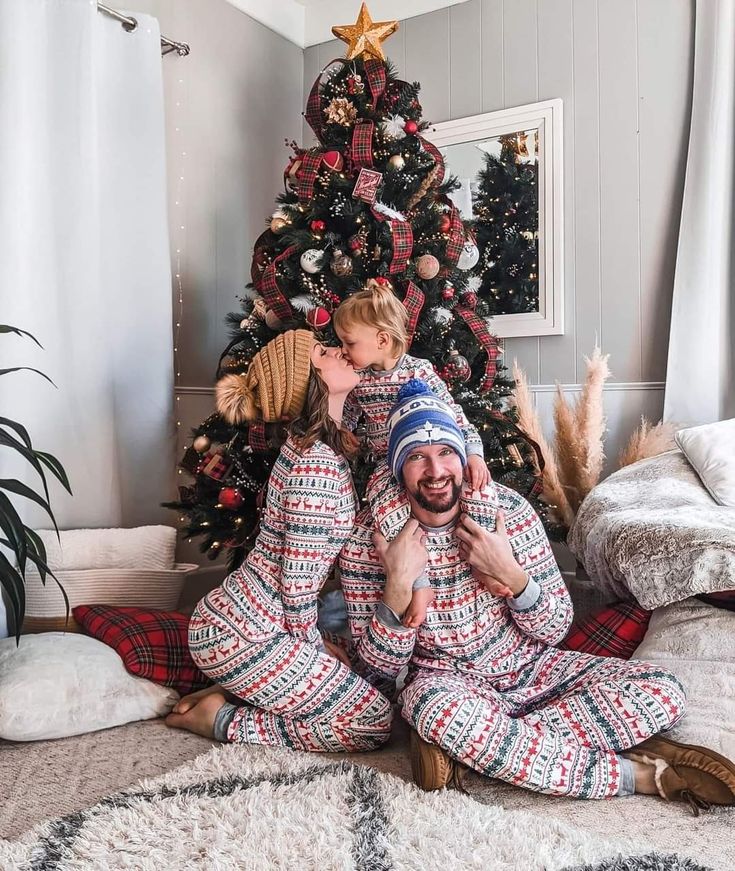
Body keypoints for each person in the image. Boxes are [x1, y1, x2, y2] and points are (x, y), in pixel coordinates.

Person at [339, 378, 735, 809]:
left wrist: (511, 575)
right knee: (434, 710)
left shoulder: (508, 511)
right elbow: (374, 670)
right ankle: (635, 773)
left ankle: (474, 752)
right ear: (398, 467)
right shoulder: (368, 538)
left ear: (462, 456)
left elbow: (555, 627)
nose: (435, 472)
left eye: (445, 453)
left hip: (533, 667)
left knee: (663, 690)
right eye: (416, 456)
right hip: (448, 684)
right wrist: (397, 588)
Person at [166, 330, 393, 753]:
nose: (341, 352)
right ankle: (220, 719)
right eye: (324, 353)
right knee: (373, 722)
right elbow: (298, 585)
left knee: (356, 673)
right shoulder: (317, 467)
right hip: (246, 632)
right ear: (309, 383)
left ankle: (235, 690)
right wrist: (312, 651)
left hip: (249, 621)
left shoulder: (309, 447)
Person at [333, 278, 494, 629]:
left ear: (382, 340)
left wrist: (474, 454)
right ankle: (419, 584)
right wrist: (345, 434)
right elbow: (346, 420)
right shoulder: (357, 377)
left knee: (479, 495)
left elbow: (456, 417)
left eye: (348, 342)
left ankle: (489, 563)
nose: (343, 350)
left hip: (429, 454)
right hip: (386, 466)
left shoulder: (417, 371)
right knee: (388, 518)